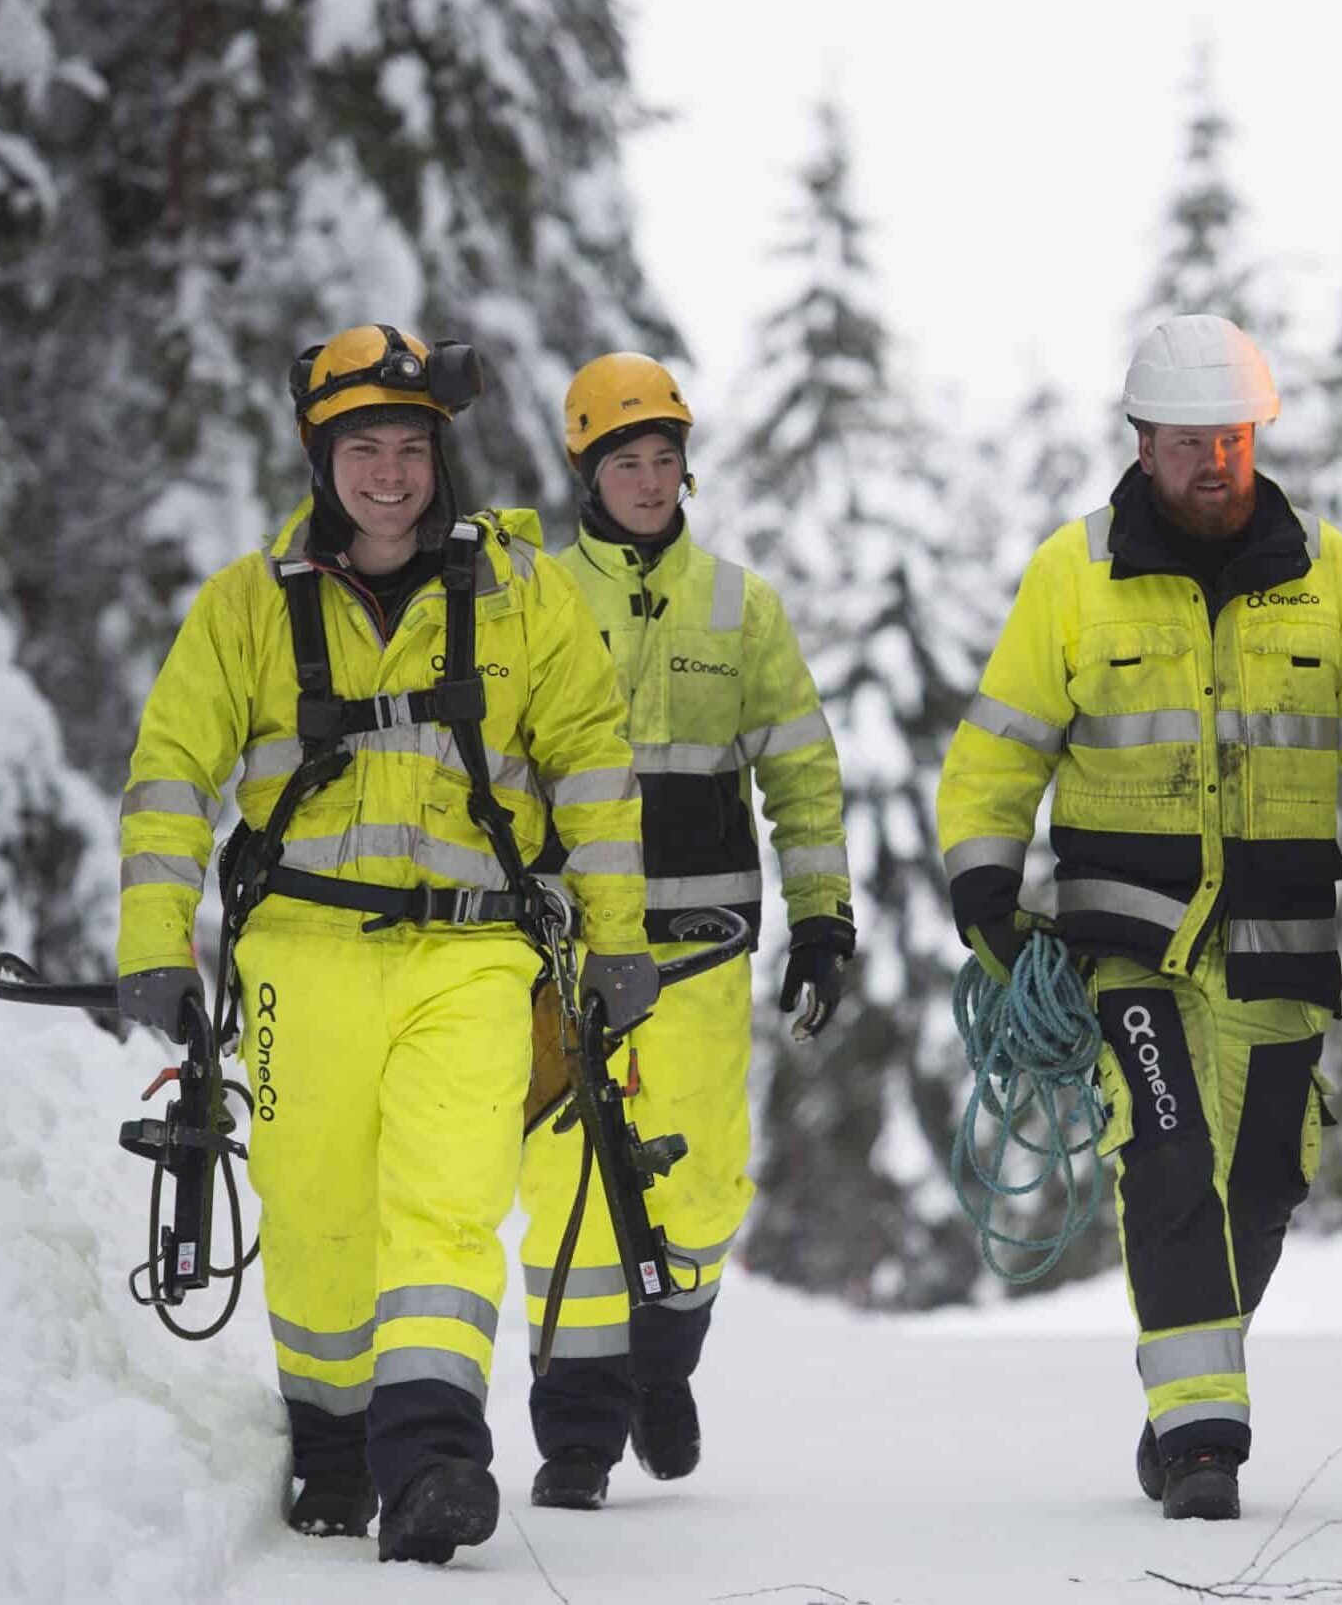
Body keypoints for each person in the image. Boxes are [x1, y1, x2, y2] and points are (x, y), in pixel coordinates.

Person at [114, 324, 658, 1564]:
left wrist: (617, 943)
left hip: (470, 957)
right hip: (296, 959)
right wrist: (156, 940)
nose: (391, 474)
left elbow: (591, 769)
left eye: (411, 446)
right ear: (321, 457)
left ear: (439, 455)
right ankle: (333, 1439)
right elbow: (170, 774)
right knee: (314, 1214)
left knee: (447, 1201)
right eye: (363, 447)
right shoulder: (246, 605)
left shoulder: (525, 597)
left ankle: (434, 1460)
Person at [936, 314, 1342, 1522]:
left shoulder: (1331, 573)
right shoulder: (1073, 573)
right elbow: (999, 744)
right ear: (1140, 442)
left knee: (1262, 1186)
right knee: (1165, 1161)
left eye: (1229, 437)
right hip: (1126, 940)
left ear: (1255, 434)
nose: (1210, 461)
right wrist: (983, 886)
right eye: (1185, 441)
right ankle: (1205, 1435)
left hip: (1278, 940)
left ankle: (1178, 1384)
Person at [519, 353, 855, 1511]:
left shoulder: (739, 606)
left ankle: (663, 1369)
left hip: (703, 948)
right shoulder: (536, 596)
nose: (651, 480)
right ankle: (573, 1428)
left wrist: (823, 919)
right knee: (569, 1177)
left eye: (665, 459)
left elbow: (803, 774)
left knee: (700, 1182)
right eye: (627, 461)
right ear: (586, 472)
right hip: (566, 955)